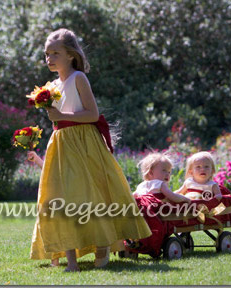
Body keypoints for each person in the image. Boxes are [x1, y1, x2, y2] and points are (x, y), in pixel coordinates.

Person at [29, 28, 151, 272]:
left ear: (71, 55)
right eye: (46, 54)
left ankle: (103, 244)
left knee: (88, 194)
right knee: (60, 196)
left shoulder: (78, 78)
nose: (49, 58)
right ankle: (67, 254)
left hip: (83, 141)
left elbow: (92, 114)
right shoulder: (52, 85)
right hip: (61, 142)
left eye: (55, 53)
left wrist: (62, 115)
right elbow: (58, 118)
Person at [126, 153, 190, 253]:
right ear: (150, 173)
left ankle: (136, 242)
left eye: (169, 171)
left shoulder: (141, 185)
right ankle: (153, 244)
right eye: (164, 170)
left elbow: (132, 197)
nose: (167, 174)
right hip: (156, 211)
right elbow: (172, 196)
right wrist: (184, 199)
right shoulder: (160, 184)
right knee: (157, 227)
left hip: (143, 211)